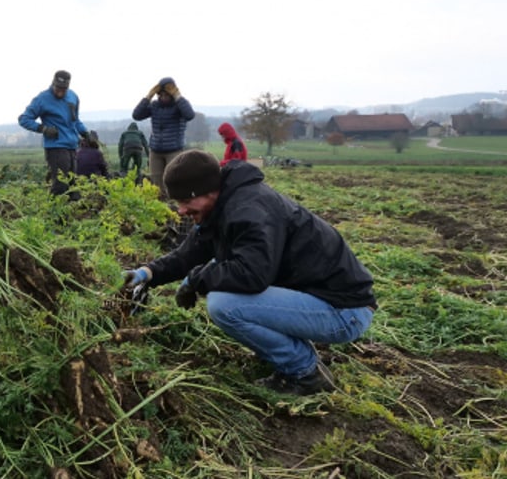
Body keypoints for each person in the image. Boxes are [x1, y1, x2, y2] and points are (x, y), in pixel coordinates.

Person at [122, 150, 376, 395]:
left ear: (208, 191)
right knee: (223, 289)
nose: (181, 210)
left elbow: (252, 275)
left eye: (186, 201)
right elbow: (188, 253)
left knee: (225, 305)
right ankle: (292, 356)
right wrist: (148, 273)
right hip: (318, 298)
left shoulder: (249, 211)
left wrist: (197, 279)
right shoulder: (222, 204)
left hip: (343, 311)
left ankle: (306, 372)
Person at [18, 70, 91, 198]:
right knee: (61, 186)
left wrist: (85, 133)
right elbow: (24, 119)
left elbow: (76, 120)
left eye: (63, 89)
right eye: (57, 88)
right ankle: (54, 215)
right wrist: (43, 129)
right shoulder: (42, 99)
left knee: (73, 185)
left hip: (72, 146)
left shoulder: (73, 97)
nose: (60, 91)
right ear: (53, 83)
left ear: (68, 87)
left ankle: (72, 215)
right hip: (55, 147)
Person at [131, 77, 195, 199]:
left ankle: (175, 207)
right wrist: (148, 97)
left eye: (167, 94)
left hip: (174, 150)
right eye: (161, 94)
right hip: (155, 151)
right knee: (156, 184)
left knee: (173, 180)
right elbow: (136, 115)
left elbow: (189, 115)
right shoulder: (155, 106)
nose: (163, 97)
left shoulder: (179, 106)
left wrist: (178, 96)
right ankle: (160, 208)